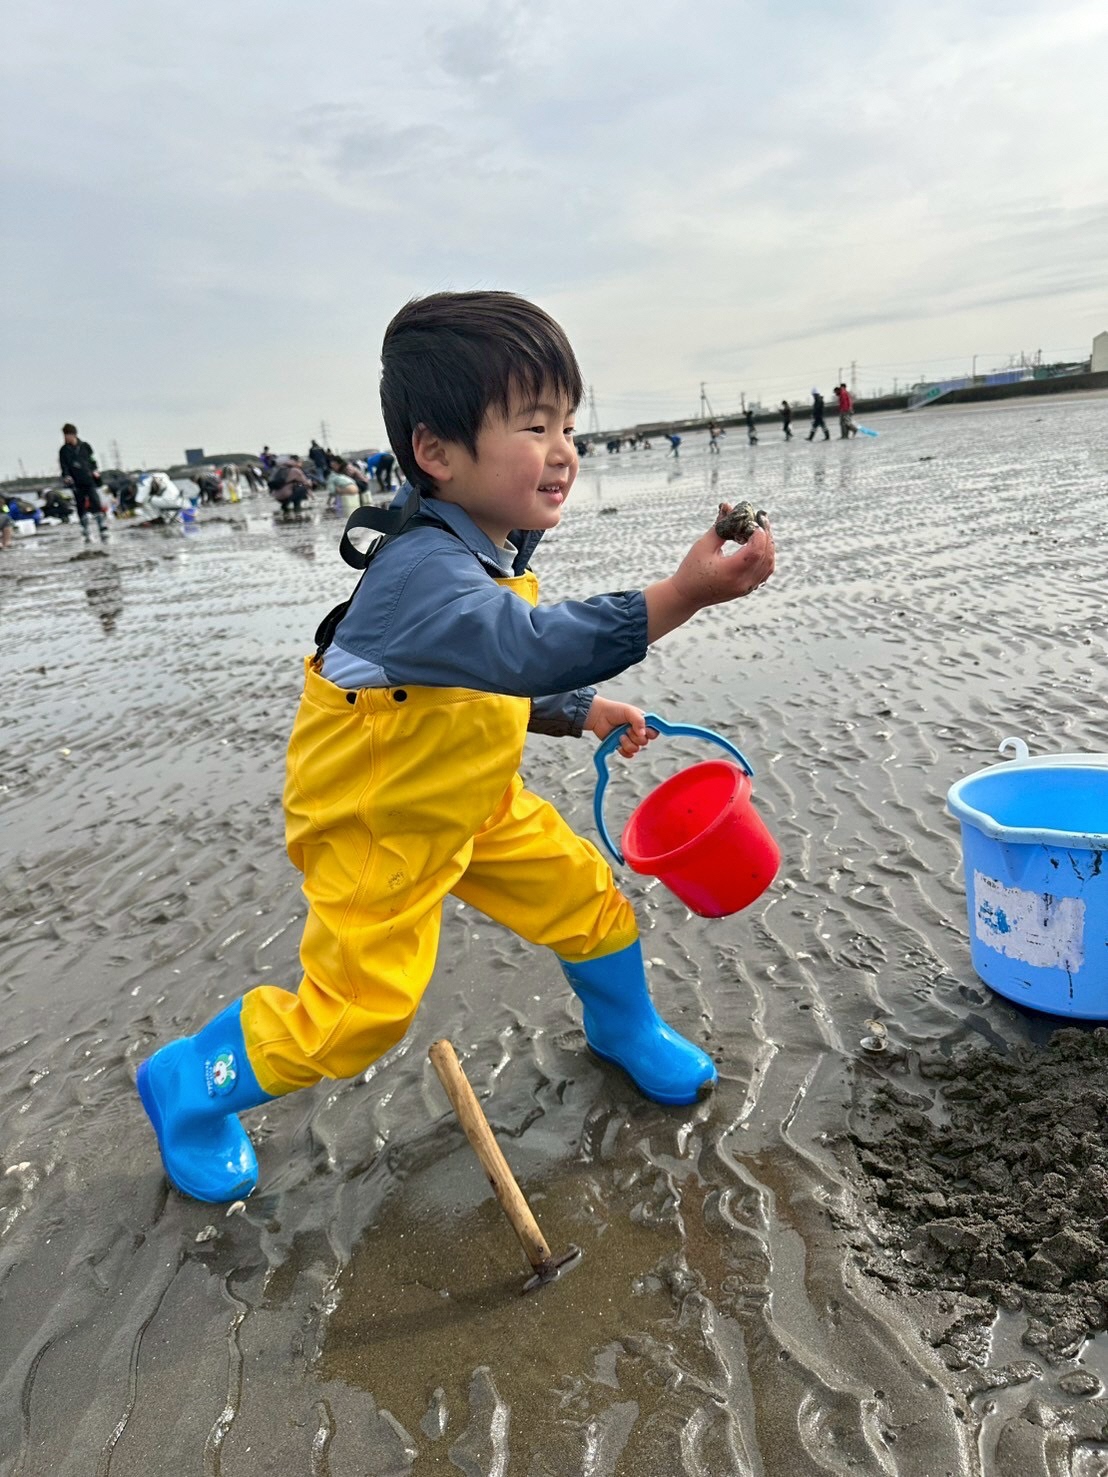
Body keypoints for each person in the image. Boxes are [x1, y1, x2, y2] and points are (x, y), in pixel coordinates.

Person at [134, 289, 775, 1205]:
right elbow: (516, 644)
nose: (562, 451)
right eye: (531, 425)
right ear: (436, 450)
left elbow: (492, 672)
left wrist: (579, 709)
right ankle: (189, 1083)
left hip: (473, 800)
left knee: (588, 901)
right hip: (381, 825)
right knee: (357, 1014)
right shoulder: (420, 572)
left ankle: (622, 1031)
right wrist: (681, 594)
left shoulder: (488, 544)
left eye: (567, 423)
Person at [59, 424, 109, 544]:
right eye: (64, 435)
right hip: (76, 482)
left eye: (67, 435)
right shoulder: (64, 450)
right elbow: (63, 466)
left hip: (89, 479)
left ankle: (102, 528)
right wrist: (66, 476)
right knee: (80, 506)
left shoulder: (85, 446)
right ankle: (85, 530)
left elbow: (92, 460)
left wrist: (95, 470)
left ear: (74, 435)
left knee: (96, 502)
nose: (66, 438)